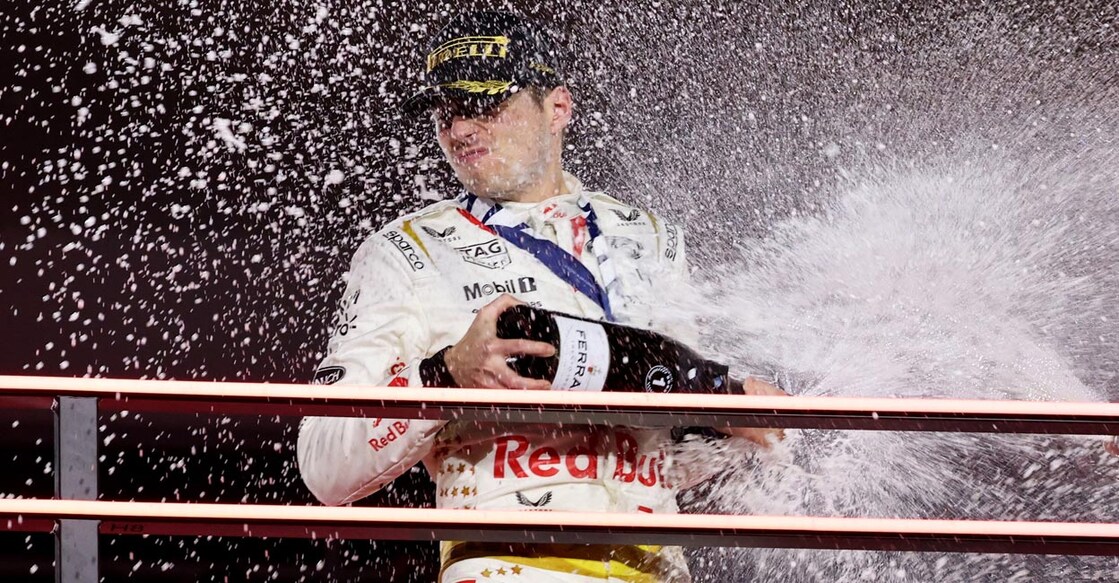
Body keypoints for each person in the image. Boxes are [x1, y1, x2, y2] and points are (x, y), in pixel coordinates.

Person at [297, 11, 785, 583]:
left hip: (657, 570)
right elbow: (323, 464)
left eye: (486, 103)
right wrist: (444, 375)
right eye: (446, 113)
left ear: (557, 109)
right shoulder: (406, 252)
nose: (460, 130)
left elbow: (668, 453)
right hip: (504, 567)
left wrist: (736, 423)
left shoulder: (652, 238)